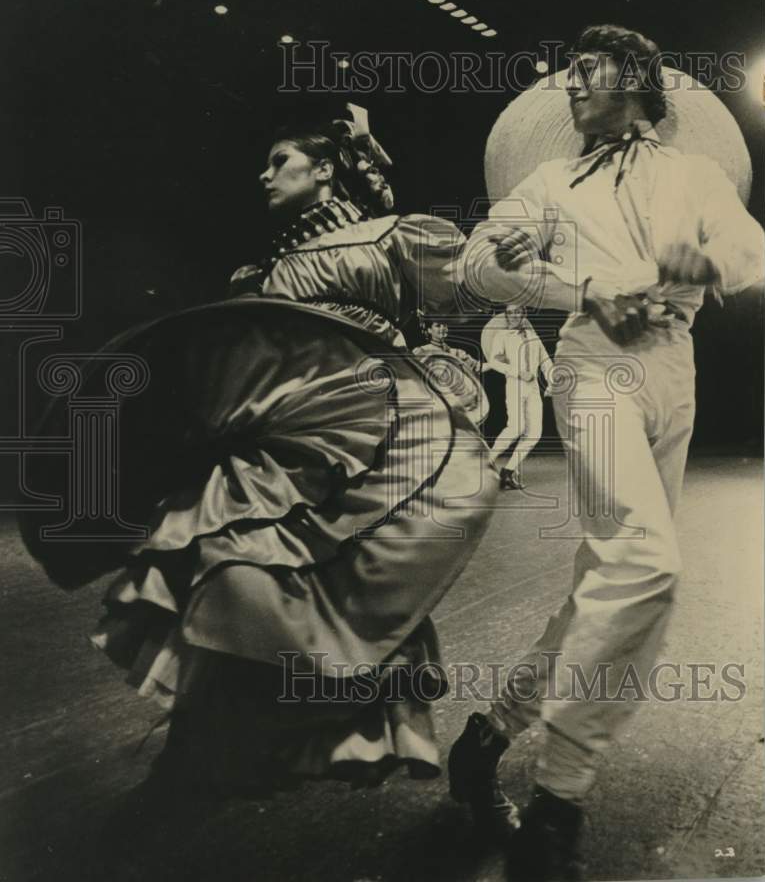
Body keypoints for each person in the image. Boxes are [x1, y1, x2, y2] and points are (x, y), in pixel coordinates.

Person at [24, 104, 498, 793]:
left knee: (333, 585)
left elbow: (475, 288)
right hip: (279, 439)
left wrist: (511, 258)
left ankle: (238, 737)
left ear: (327, 170)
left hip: (378, 435)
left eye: (280, 161)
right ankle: (210, 736)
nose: (264, 174)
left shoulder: (393, 237)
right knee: (220, 551)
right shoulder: (263, 273)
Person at [450, 25, 765, 880]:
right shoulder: (550, 181)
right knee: (646, 564)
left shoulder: (695, 177)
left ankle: (486, 738)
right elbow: (474, 262)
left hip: (675, 368)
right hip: (593, 370)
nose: (571, 86)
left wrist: (704, 255)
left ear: (636, 78)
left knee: (605, 583)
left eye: (585, 70)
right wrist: (564, 280)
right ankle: (559, 798)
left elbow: (751, 249)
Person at [483, 304, 553, 490]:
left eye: (517, 312)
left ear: (524, 314)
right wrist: (517, 372)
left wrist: (552, 382)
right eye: (510, 313)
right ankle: (485, 462)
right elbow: (494, 361)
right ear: (506, 316)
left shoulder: (532, 335)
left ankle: (508, 472)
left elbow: (545, 360)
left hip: (533, 388)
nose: (513, 316)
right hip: (515, 385)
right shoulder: (502, 336)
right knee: (516, 427)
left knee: (534, 433)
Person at [413, 314, 490, 427]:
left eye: (444, 325)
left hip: (460, 408)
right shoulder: (421, 352)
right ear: (429, 330)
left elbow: (478, 367)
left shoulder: (456, 353)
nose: (442, 328)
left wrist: (500, 363)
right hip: (436, 407)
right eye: (438, 325)